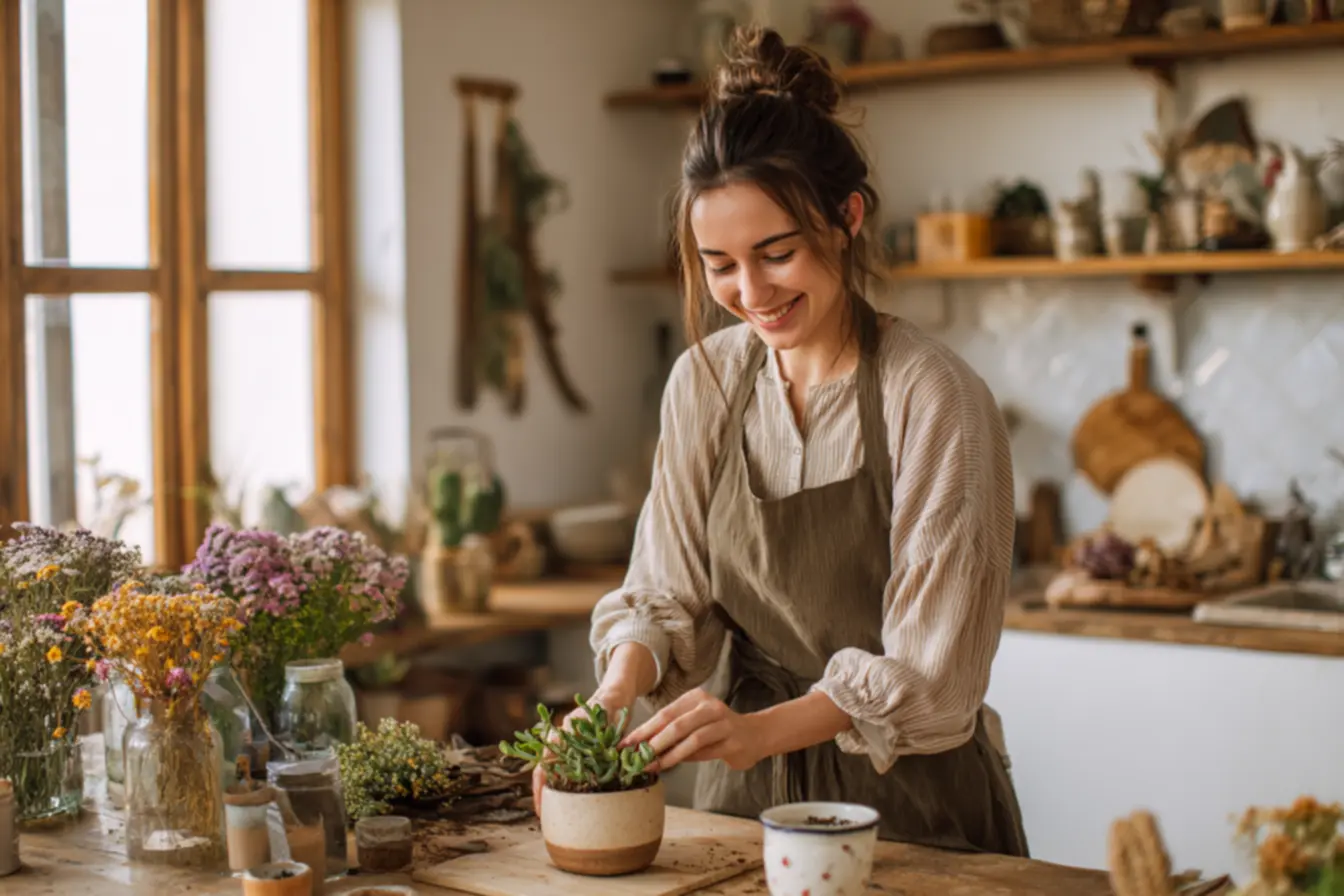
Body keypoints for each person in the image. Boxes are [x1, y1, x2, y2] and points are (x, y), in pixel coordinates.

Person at [547, 24, 1029, 856]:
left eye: (777, 253)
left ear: (846, 217)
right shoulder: (704, 383)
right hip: (740, 804)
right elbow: (667, 592)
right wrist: (615, 693)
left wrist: (759, 730)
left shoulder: (934, 395)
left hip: (911, 811)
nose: (750, 292)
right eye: (720, 264)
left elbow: (932, 670)